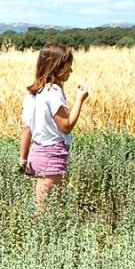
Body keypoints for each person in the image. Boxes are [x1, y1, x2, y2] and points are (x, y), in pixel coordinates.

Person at [20, 43, 89, 207]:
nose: (70, 70)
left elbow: (26, 129)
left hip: (37, 152)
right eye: (68, 66)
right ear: (57, 67)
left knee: (45, 206)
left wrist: (23, 158)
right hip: (52, 154)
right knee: (47, 211)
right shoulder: (53, 92)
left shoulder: (33, 94)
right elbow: (66, 126)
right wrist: (79, 100)